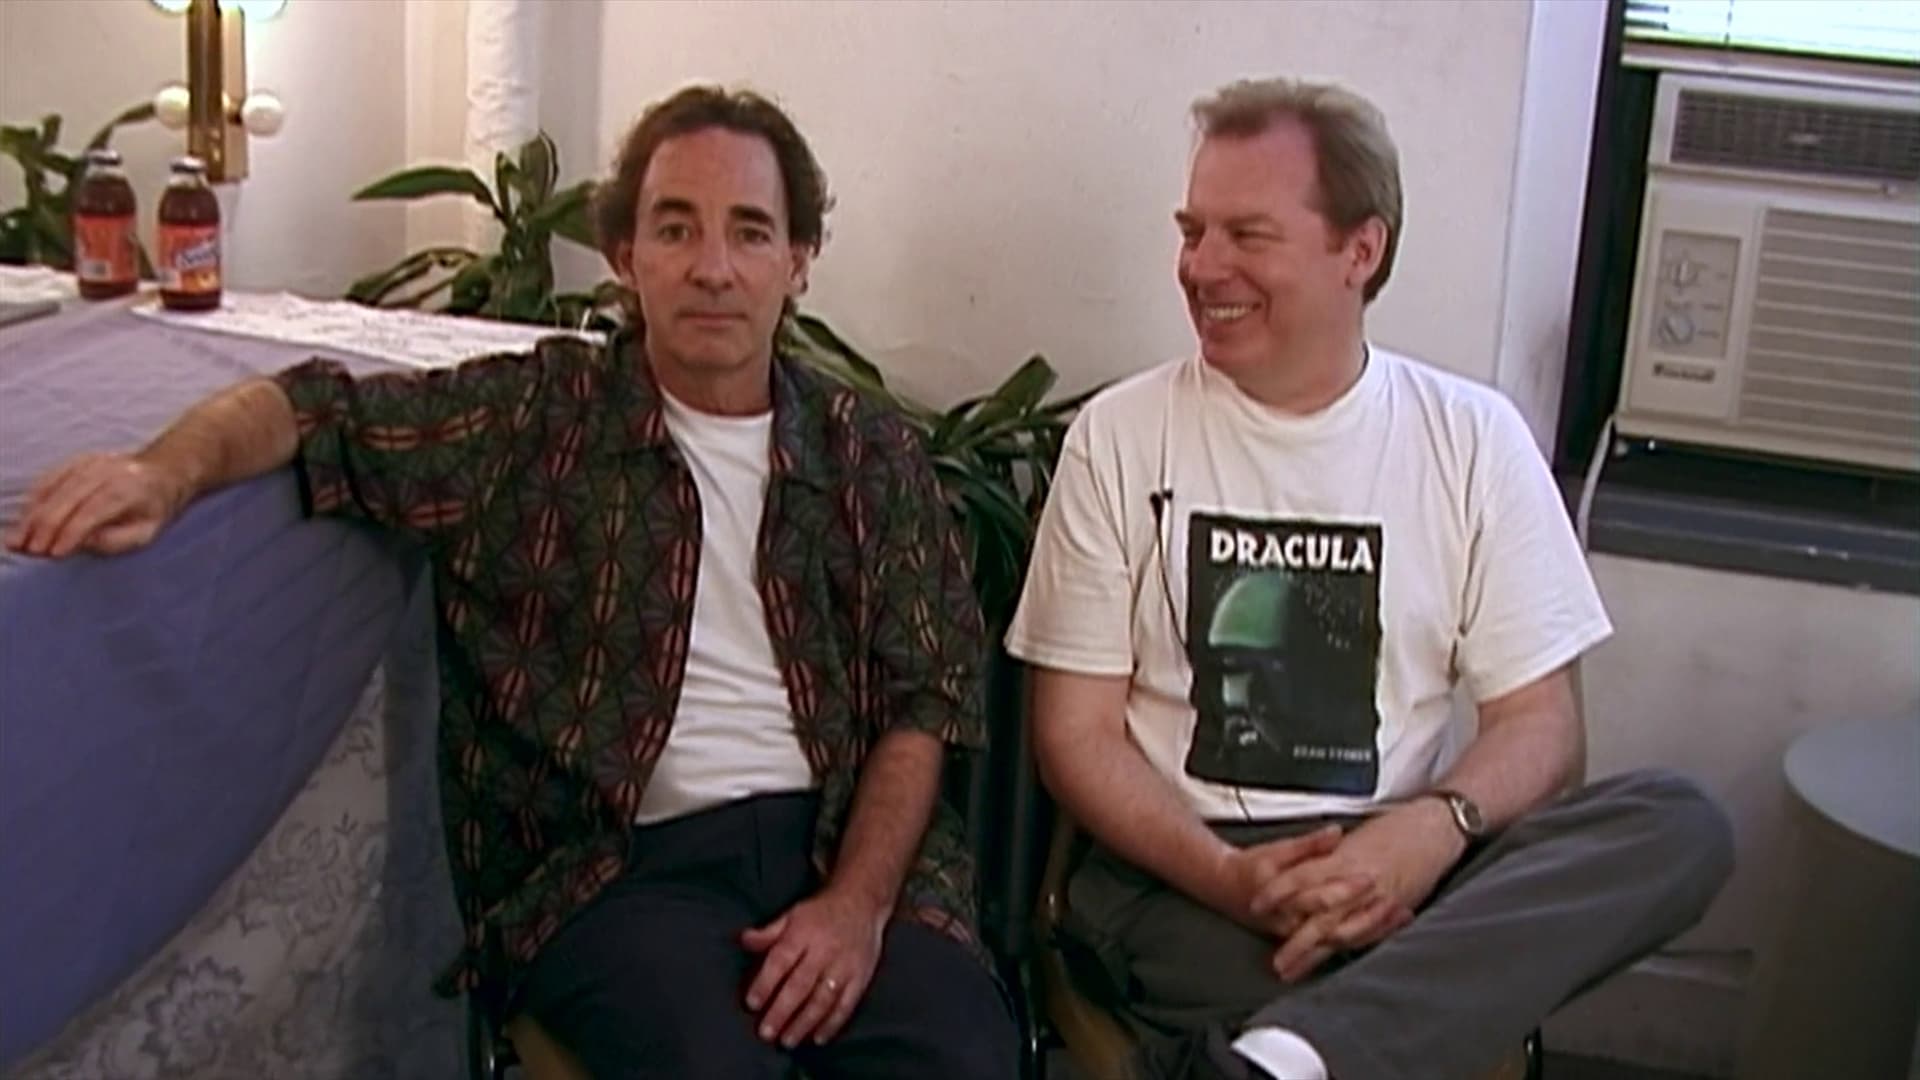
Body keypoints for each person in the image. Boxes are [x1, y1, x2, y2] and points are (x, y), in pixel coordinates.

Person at [6, 85, 1015, 1079]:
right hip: (619, 869)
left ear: (798, 262)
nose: (713, 267)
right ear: (624, 255)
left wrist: (857, 904)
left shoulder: (868, 451)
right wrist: (163, 472)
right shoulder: (534, 419)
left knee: (962, 1054)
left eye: (749, 232)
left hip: (841, 839)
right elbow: (307, 411)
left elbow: (922, 700)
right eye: (676, 228)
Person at [1004, 76, 1733, 1080]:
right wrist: (1231, 878)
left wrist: (1429, 835)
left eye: (1247, 235)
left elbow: (1543, 727)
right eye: (1192, 231)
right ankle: (1310, 1044)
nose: (1201, 266)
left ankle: (1276, 1059)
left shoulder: (1472, 438)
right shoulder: (1120, 436)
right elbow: (1074, 737)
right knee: (1386, 1000)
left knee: (1677, 823)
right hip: (1188, 870)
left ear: (1361, 250)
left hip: (1409, 861)